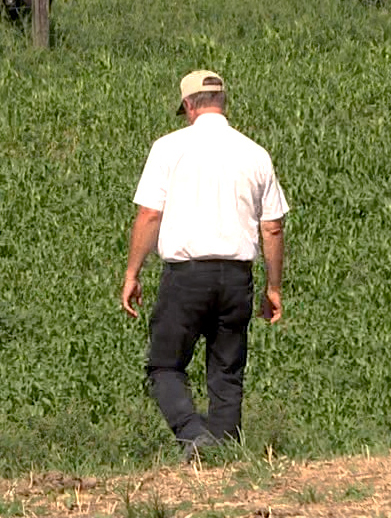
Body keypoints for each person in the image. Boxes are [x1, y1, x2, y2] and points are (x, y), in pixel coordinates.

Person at [121, 70, 288, 461]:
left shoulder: (168, 148)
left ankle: (195, 435)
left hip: (186, 277)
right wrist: (273, 287)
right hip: (236, 279)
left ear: (189, 105)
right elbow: (274, 228)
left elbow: (148, 215)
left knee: (164, 365)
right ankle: (226, 457)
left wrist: (132, 274)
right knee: (227, 372)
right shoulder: (254, 152)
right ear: (221, 103)